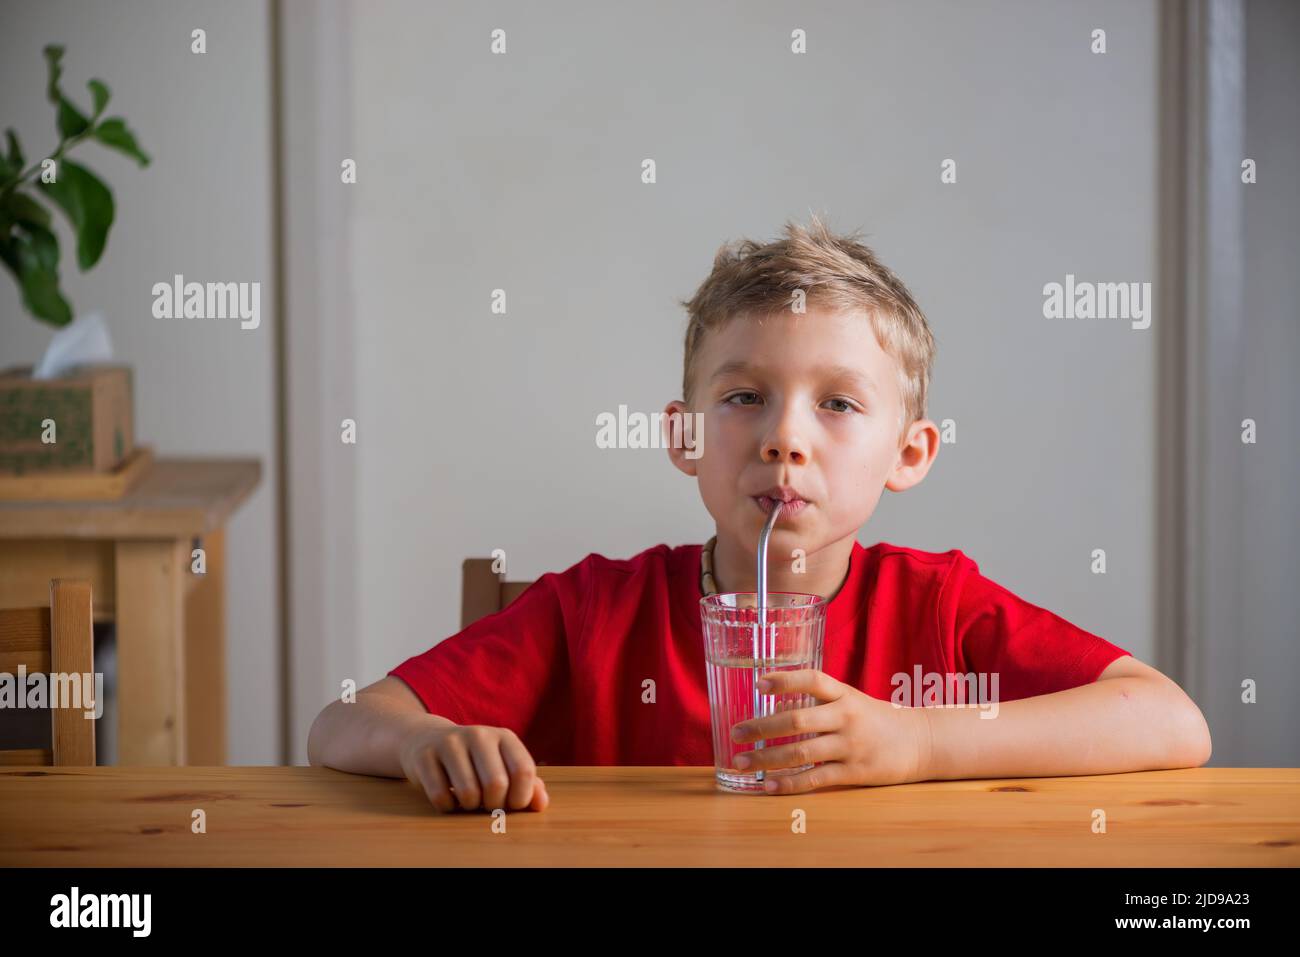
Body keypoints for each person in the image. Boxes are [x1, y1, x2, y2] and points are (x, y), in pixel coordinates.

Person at [307, 215, 1211, 814]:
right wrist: (433, 741)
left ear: (910, 454)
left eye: (839, 404)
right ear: (686, 434)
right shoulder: (593, 610)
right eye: (744, 397)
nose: (785, 438)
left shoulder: (941, 609)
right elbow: (341, 723)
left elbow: (1170, 720)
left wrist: (918, 739)